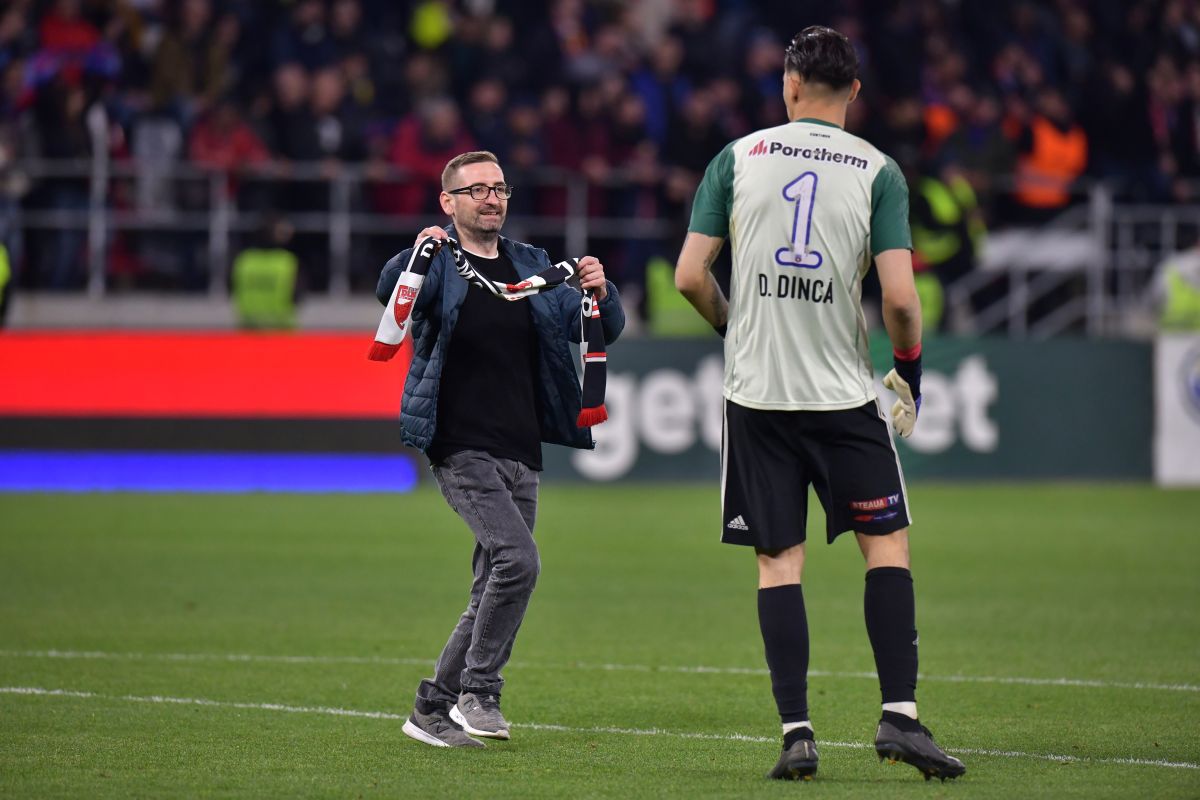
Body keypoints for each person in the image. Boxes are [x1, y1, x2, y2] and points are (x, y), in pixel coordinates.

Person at [674, 26, 966, 782]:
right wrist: (909, 369)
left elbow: (689, 277)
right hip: (842, 395)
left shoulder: (737, 157)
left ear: (790, 84)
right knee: (887, 546)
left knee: (779, 562)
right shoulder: (878, 171)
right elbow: (900, 299)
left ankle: (797, 733)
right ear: (855, 92)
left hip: (758, 395)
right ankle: (899, 716)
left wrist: (735, 328)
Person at [376, 150, 625, 748]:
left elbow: (597, 327)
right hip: (459, 443)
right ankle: (480, 692)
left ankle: (431, 708)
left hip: (521, 448)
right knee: (519, 561)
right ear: (449, 202)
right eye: (478, 189)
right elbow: (392, 294)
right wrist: (415, 253)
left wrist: (602, 289)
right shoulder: (439, 262)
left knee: (494, 581)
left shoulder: (531, 265)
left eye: (499, 188)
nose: (492, 198)